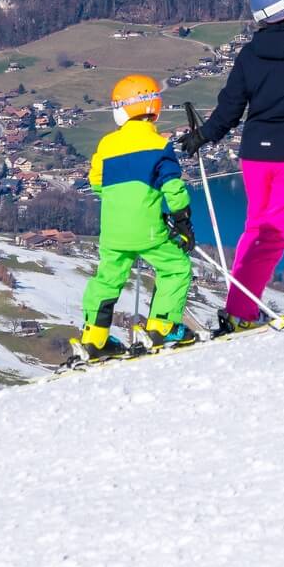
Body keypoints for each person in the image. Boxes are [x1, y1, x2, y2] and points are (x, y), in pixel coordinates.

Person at [179, 0, 284, 333]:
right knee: (276, 234)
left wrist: (204, 136)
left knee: (256, 229)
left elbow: (230, 108)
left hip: (255, 154)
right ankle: (241, 311)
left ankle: (239, 306)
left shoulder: (249, 56)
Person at [72, 72, 197, 363]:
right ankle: (162, 327)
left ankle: (94, 338)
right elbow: (173, 187)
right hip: (149, 230)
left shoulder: (107, 144)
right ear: (153, 107)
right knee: (176, 268)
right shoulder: (158, 145)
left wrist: (124, 203)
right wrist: (181, 221)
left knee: (107, 279)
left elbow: (97, 184)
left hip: (113, 231)